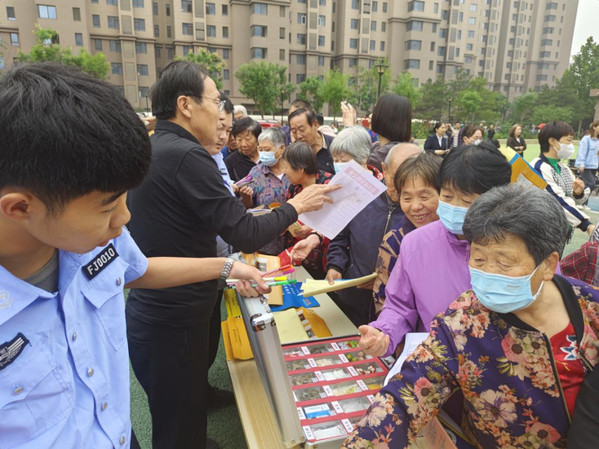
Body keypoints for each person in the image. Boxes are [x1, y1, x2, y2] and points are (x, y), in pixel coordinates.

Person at [0, 62, 270, 449]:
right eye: (107, 206)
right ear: (20, 208)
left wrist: (227, 266)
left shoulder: (88, 237)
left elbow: (137, 269)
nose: (124, 219)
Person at [125, 61, 339, 449]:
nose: (220, 113)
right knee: (175, 422)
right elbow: (242, 231)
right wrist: (297, 206)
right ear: (185, 105)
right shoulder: (187, 155)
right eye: (214, 101)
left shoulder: (158, 146)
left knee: (180, 407)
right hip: (173, 314)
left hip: (162, 307)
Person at [343, 183, 599, 449]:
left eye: (504, 262)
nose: (488, 272)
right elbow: (406, 396)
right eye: (478, 260)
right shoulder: (464, 321)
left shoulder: (591, 309)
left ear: (547, 264)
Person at [359, 142, 511, 358]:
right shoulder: (415, 244)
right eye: (447, 197)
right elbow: (399, 306)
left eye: (466, 200)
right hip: (437, 364)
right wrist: (384, 333)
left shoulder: (521, 247)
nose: (455, 206)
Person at [324, 142, 417, 326]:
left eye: (407, 180)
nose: (400, 187)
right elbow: (340, 238)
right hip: (351, 299)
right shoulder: (362, 195)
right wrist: (335, 266)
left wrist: (384, 281)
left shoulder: (420, 213)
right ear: (384, 169)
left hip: (392, 311)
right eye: (395, 178)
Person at [372, 152, 442, 314]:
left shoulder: (462, 238)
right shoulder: (394, 242)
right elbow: (383, 300)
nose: (415, 207)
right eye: (407, 198)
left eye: (424, 197)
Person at [531, 121, 594, 236]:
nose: (571, 145)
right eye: (569, 140)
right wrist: (587, 225)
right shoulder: (538, 167)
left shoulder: (563, 167)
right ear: (552, 141)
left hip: (558, 230)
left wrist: (577, 193)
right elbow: (556, 200)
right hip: (540, 230)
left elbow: (576, 196)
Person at [284, 142, 333, 278]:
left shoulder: (328, 185)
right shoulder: (294, 187)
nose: (284, 172)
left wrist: (311, 228)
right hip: (298, 253)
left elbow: (335, 219)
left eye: (286, 167)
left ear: (300, 169)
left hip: (323, 258)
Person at [242, 127, 290, 255]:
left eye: (267, 150)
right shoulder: (257, 173)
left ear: (281, 148)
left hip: (293, 243)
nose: (263, 153)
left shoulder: (293, 169)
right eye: (260, 149)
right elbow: (247, 206)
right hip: (265, 243)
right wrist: (246, 197)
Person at [367, 94, 413, 171]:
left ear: (386, 118)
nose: (370, 116)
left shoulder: (388, 153)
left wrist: (350, 129)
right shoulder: (378, 146)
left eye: (375, 111)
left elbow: (355, 166)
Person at [289, 107, 336, 174]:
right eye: (294, 131)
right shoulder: (292, 154)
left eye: (302, 130)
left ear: (315, 125)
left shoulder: (334, 146)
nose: (298, 136)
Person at [225, 116, 261, 182]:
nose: (243, 144)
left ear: (258, 138)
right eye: (239, 140)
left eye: (247, 139)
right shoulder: (230, 162)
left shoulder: (268, 157)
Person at [575, 120, 599, 207]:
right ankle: (580, 201)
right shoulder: (586, 139)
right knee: (591, 184)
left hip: (594, 166)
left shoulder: (598, 140)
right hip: (585, 166)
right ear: (594, 127)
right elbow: (582, 152)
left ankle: (583, 203)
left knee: (587, 185)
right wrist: (581, 164)